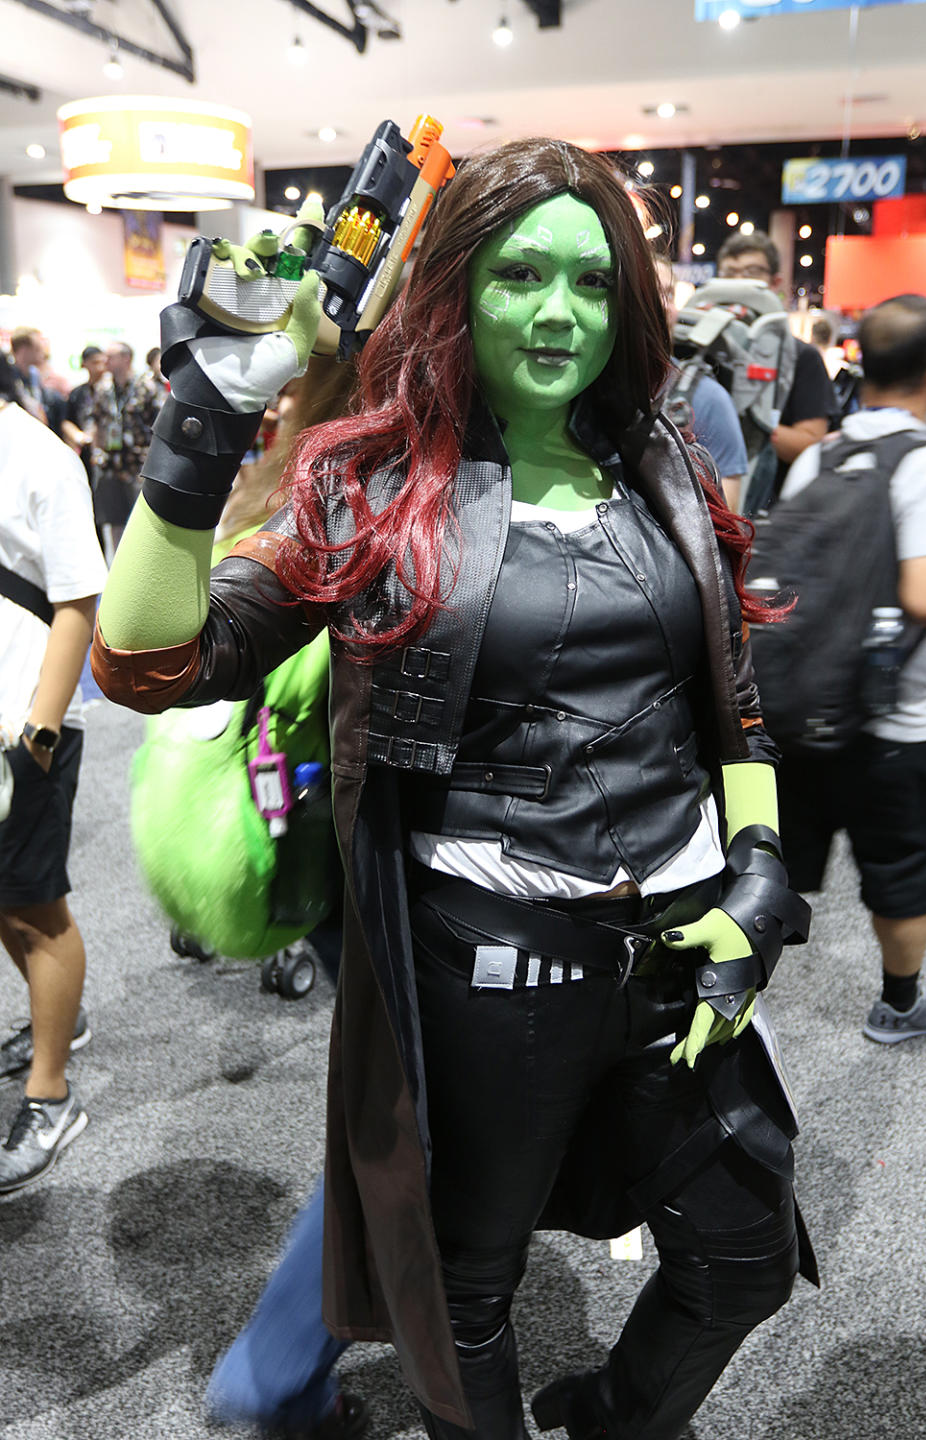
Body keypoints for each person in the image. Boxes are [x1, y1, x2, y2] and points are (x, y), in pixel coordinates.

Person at [93, 139, 814, 1440]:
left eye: (590, 283)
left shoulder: (665, 467)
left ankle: (615, 1414)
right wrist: (195, 431)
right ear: (460, 290)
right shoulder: (374, 487)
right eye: (521, 274)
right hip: (487, 978)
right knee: (462, 1298)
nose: (557, 311)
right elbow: (152, 662)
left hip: (679, 958)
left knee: (746, 1256)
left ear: (627, 300)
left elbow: (737, 710)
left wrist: (759, 877)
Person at [778, 295, 926, 1045]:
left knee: (780, 866)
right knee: (902, 867)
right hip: (899, 717)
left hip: (804, 700)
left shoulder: (820, 456)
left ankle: (731, 1002)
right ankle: (900, 1004)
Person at [0, 351, 105, 1194]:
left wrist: (38, 728)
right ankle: (51, 1028)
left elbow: (79, 599)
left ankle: (51, 1092)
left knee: (36, 907)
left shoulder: (42, 458)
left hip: (23, 726)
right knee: (8, 899)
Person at [716, 231, 834, 503]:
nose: (739, 283)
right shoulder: (703, 349)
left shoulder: (801, 356)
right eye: (730, 273)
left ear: (775, 282)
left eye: (751, 272)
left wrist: (753, 425)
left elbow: (810, 443)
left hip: (774, 507)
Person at [656, 256, 749, 510]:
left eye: (668, 294)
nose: (662, 306)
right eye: (647, 292)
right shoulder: (586, 389)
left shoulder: (706, 400)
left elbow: (726, 524)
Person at [90, 340, 162, 562]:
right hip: (111, 465)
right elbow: (96, 421)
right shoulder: (103, 389)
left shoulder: (146, 387)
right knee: (114, 520)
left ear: (126, 358)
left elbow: (160, 423)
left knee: (142, 522)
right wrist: (96, 451)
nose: (105, 362)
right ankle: (118, 566)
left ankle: (143, 566)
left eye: (110, 357)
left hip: (138, 466)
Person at [62, 344, 108, 484]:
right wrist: (78, 436)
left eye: (102, 362)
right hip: (86, 453)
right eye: (95, 362)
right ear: (84, 364)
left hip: (109, 453)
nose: (100, 367)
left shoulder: (111, 391)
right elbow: (66, 421)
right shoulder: (78, 393)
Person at [10, 325, 67, 433]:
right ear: (23, 350)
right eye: (37, 346)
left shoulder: (34, 376)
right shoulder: (8, 380)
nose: (42, 350)